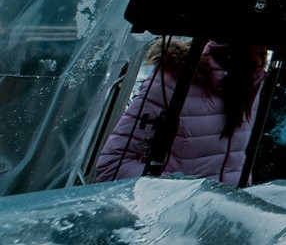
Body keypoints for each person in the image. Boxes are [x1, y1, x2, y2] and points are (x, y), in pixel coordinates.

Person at [94, 39, 268, 184]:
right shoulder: (174, 79)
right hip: (173, 217)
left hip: (224, 218)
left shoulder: (251, 83)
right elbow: (112, 166)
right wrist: (180, 191)